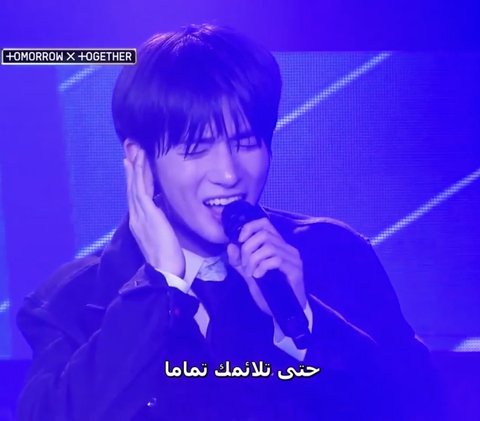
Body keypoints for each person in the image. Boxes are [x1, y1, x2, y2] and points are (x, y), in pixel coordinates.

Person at [17, 24, 443, 420]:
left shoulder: (336, 255)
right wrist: (158, 287)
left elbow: (422, 406)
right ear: (140, 159)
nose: (228, 173)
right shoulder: (69, 300)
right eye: (197, 148)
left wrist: (304, 322)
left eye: (246, 142)